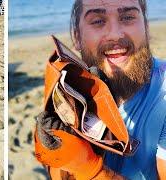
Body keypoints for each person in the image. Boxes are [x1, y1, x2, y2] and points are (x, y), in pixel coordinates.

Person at [35, 0, 166, 179]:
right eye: (98, 21)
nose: (115, 34)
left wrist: (89, 169)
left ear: (146, 28)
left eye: (128, 17)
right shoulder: (68, 90)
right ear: (77, 37)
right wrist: (60, 158)